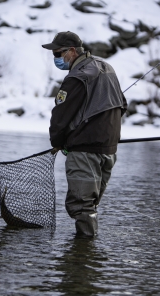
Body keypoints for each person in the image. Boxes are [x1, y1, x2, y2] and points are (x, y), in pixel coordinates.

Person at [42, 31, 127, 237]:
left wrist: (57, 142)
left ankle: (83, 257)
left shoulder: (77, 76)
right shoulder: (107, 67)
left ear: (72, 51)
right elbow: (123, 105)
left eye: (58, 53)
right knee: (90, 204)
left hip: (84, 151)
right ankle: (85, 258)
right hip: (109, 150)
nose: (56, 58)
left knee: (81, 206)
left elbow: (60, 115)